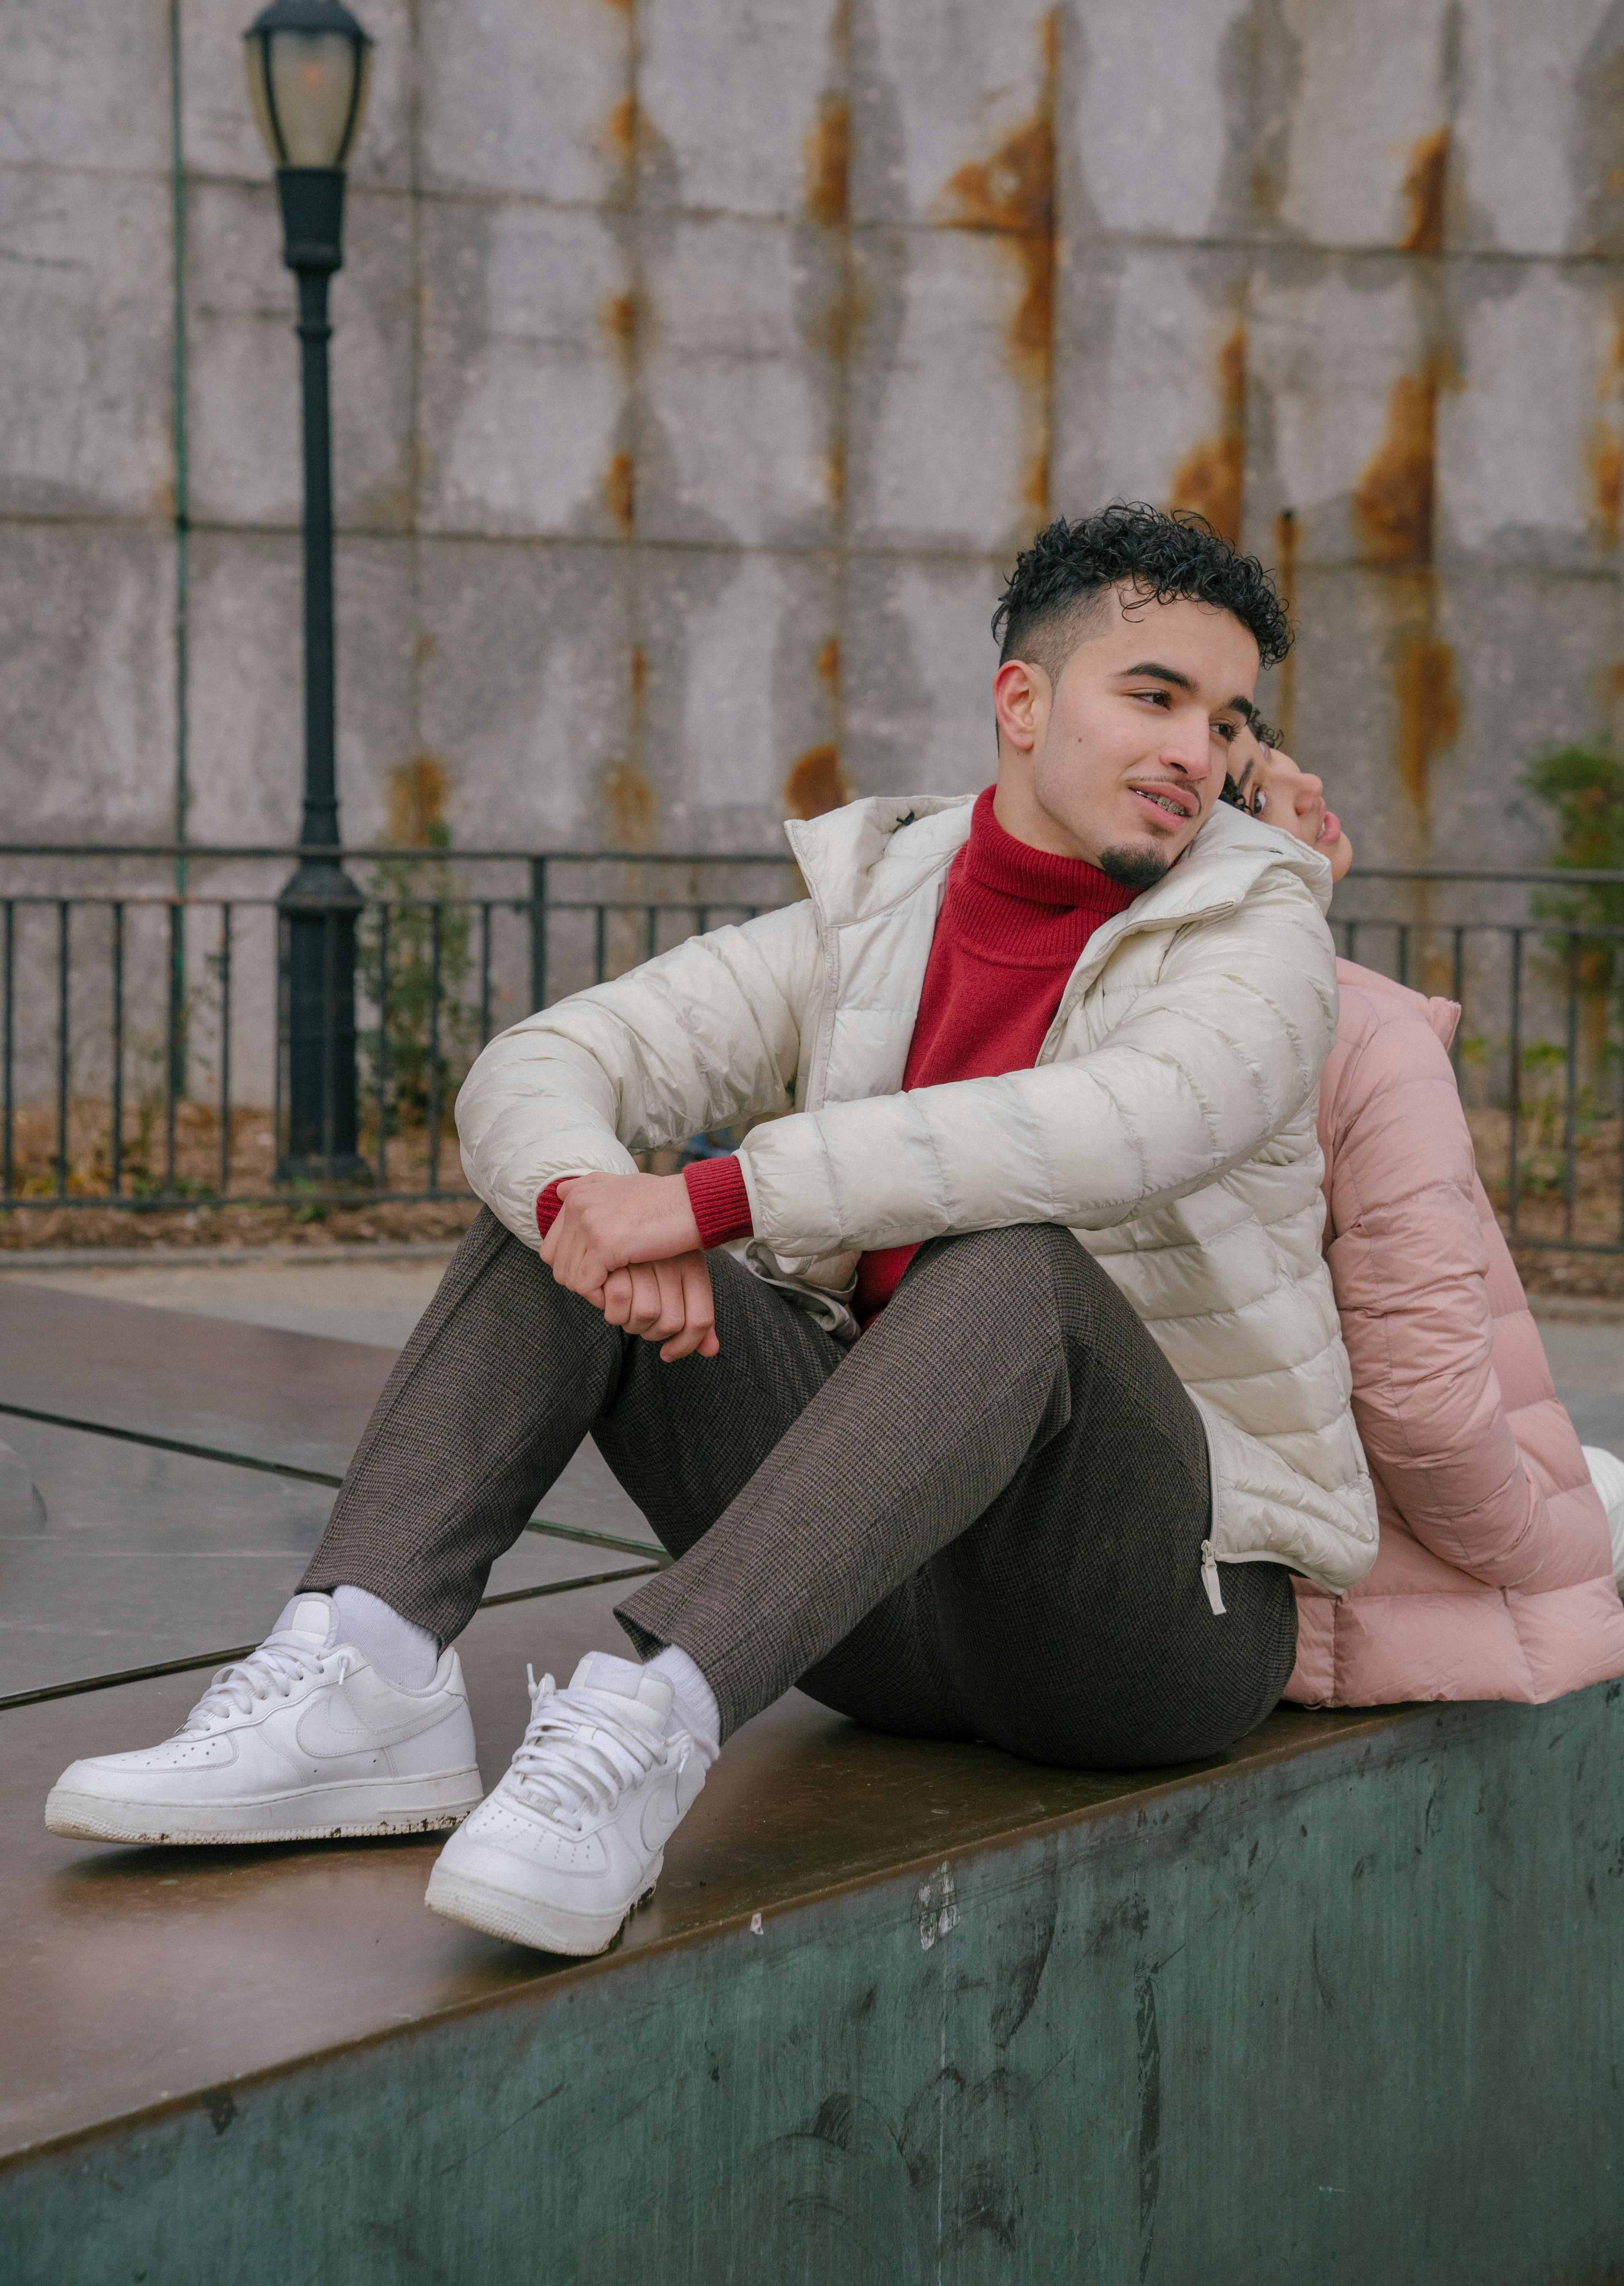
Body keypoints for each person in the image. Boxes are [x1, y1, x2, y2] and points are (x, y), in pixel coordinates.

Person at [48, 505, 1378, 1961]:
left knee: (1011, 1264)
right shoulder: (874, 905)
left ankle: (643, 1729)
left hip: (1138, 1622)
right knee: (560, 1215)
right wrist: (594, 1207)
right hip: (878, 1608)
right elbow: (548, 1058)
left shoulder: (1259, 927)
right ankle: (362, 1677)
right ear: (1021, 701)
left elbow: (1122, 1125)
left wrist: (713, 1199)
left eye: (1229, 718)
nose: (1198, 748)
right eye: (1155, 695)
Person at [1221, 718, 1624, 1703]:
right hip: (1361, 1594)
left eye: (1282, 751)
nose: (1309, 782)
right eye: (1259, 792)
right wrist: (1565, 1531)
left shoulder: (1136, 1020)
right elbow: (1431, 1425)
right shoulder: (1363, 1045)